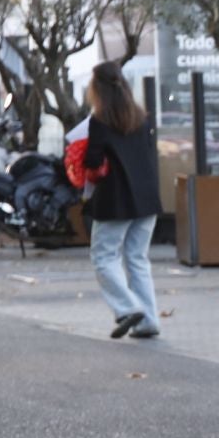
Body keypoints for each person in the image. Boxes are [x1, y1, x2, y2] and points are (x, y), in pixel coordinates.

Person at [82, 62, 164, 339]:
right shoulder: (141, 116)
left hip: (115, 199)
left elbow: (93, 160)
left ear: (98, 88)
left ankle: (128, 308)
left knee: (103, 257)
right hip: (147, 198)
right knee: (138, 259)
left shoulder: (100, 120)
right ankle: (148, 320)